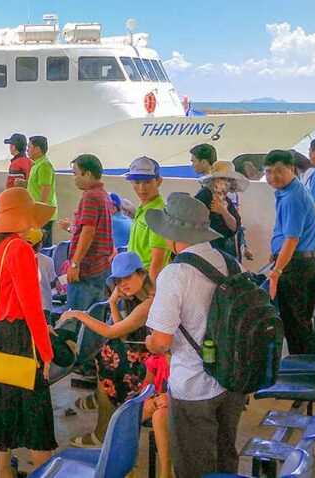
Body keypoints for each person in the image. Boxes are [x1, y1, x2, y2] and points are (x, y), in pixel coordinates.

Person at [145, 192, 245, 478]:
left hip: (193, 385)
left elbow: (161, 341)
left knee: (193, 465)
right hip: (231, 379)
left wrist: (151, 342)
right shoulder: (229, 262)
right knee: (225, 455)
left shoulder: (174, 274)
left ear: (172, 234)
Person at [58, 252, 171, 475]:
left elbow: (111, 331)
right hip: (147, 360)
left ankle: (104, 424)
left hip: (158, 368)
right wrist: (112, 303)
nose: (123, 284)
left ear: (142, 274)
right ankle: (105, 405)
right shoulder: (140, 299)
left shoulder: (149, 303)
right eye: (118, 281)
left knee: (108, 357)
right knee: (110, 353)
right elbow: (121, 334)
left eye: (127, 277)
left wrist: (78, 314)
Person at [0, 186, 56, 478]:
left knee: (3, 401)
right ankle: (44, 471)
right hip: (20, 335)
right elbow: (32, 307)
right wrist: (46, 351)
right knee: (35, 410)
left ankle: (2, 470)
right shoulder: (20, 249)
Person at [265, 149, 315, 355]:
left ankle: (304, 370)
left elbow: (292, 239)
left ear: (292, 169)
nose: (273, 177)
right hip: (307, 263)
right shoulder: (293, 190)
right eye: (268, 172)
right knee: (301, 321)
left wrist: (277, 271)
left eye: (279, 171)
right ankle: (312, 363)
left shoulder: (292, 197)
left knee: (295, 325)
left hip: (298, 267)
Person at [58, 154, 114, 313]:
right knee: (94, 321)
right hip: (102, 267)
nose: (74, 178)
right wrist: (72, 229)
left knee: (75, 320)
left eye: (76, 174)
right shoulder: (104, 195)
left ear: (87, 174)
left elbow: (89, 232)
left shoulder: (90, 196)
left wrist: (75, 264)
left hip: (86, 270)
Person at [125, 156, 171, 282]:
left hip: (145, 283)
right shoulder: (143, 208)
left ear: (158, 181)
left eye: (147, 182)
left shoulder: (158, 214)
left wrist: (150, 293)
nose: (141, 188)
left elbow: (157, 262)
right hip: (134, 280)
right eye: (137, 182)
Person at [197, 161, 245, 258]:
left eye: (229, 180)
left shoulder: (226, 200)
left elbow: (235, 226)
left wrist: (223, 211)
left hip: (227, 252)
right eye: (222, 179)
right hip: (209, 253)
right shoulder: (202, 198)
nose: (225, 183)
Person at [27, 136, 57, 245]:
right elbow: (37, 185)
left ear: (37, 149)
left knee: (42, 244)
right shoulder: (37, 164)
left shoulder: (44, 165)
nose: (27, 150)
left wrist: (40, 211)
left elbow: (46, 188)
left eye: (29, 147)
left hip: (44, 212)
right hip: (38, 210)